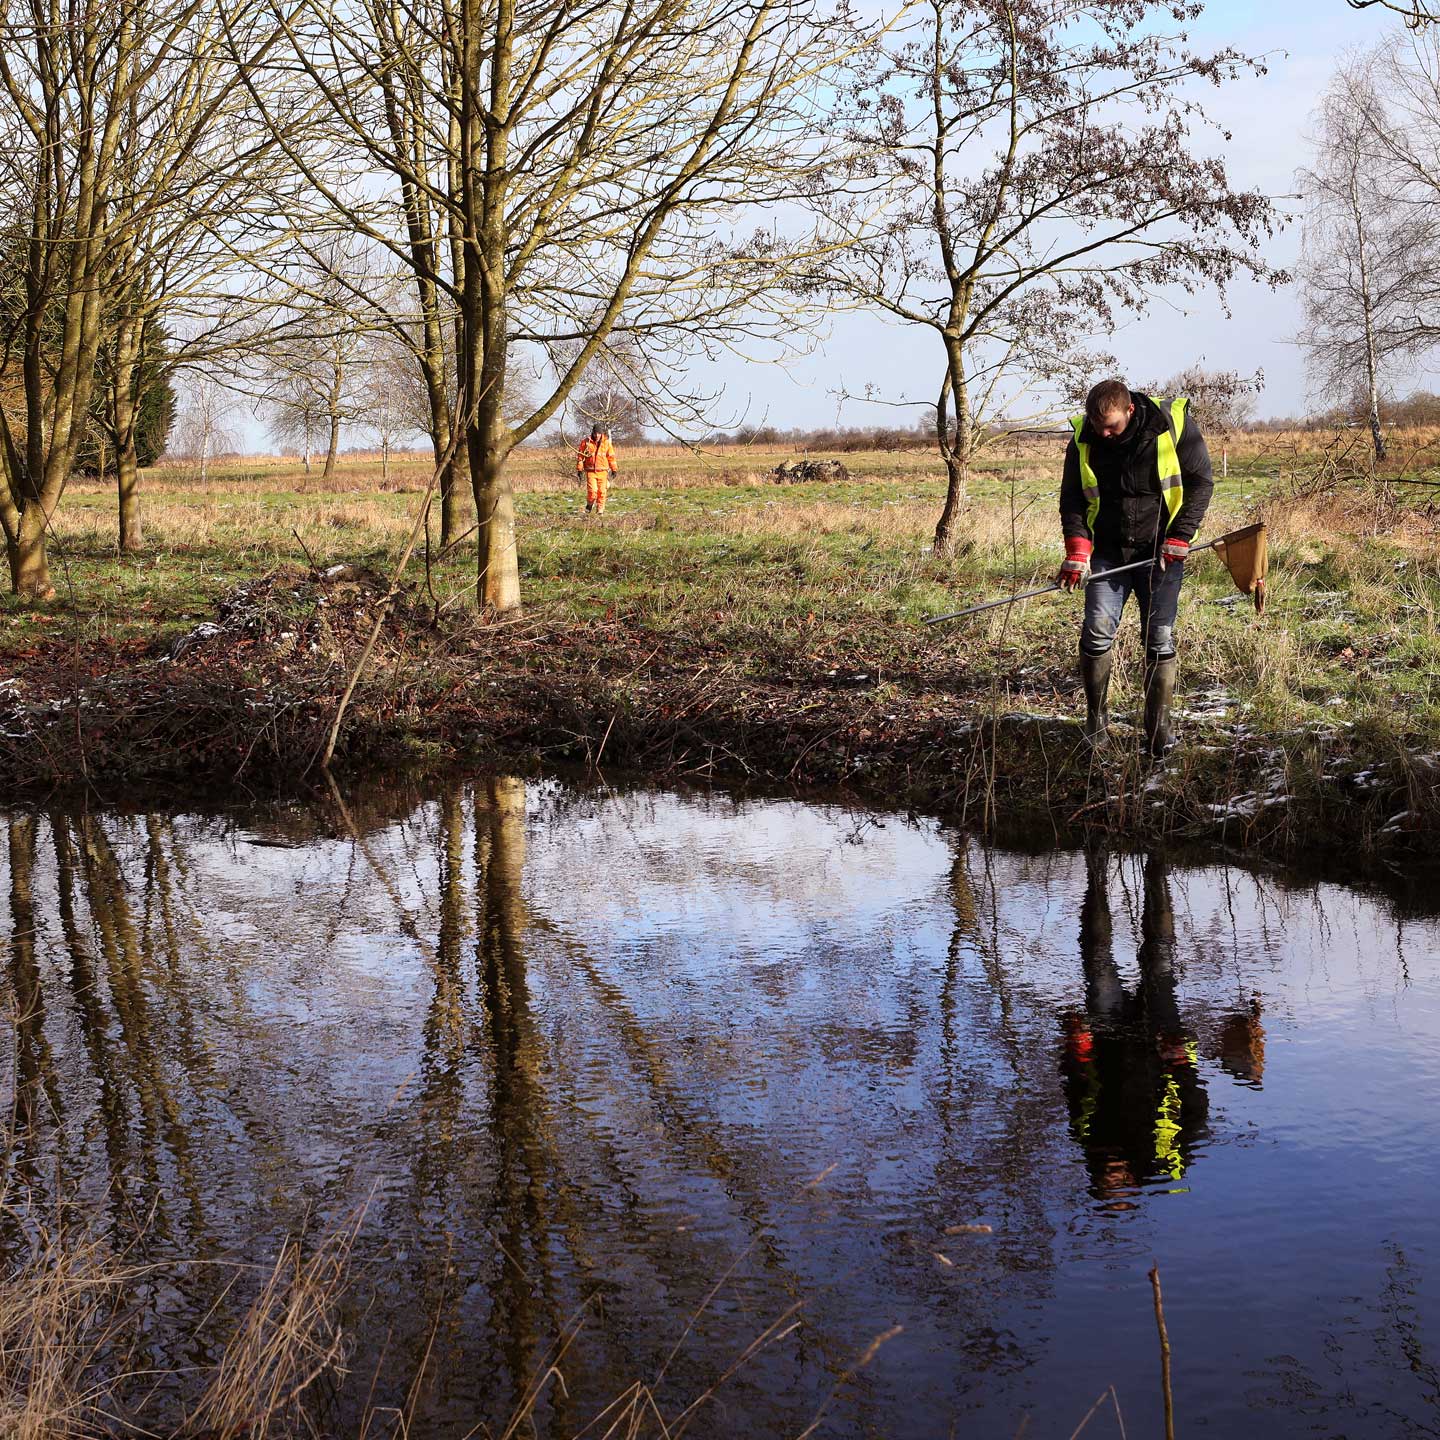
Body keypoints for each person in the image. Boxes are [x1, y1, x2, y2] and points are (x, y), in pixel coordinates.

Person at [1058, 379, 1214, 758]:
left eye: (1110, 425)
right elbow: (1073, 499)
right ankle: (1096, 725)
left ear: (1129, 410)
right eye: (1098, 426)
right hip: (1109, 554)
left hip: (1160, 555)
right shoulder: (1084, 439)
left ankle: (1158, 730)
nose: (1104, 433)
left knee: (1158, 638)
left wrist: (1180, 536)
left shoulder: (1173, 426)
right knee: (1096, 632)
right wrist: (1078, 548)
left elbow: (1201, 484)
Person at [576, 426, 618, 515]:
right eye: (595, 433)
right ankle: (589, 506)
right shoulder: (586, 442)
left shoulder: (606, 443)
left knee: (602, 492)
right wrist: (579, 469)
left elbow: (611, 457)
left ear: (601, 433)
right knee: (593, 491)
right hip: (590, 471)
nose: (597, 435)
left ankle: (600, 510)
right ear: (593, 433)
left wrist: (614, 469)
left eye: (599, 433)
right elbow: (580, 457)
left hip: (603, 471)